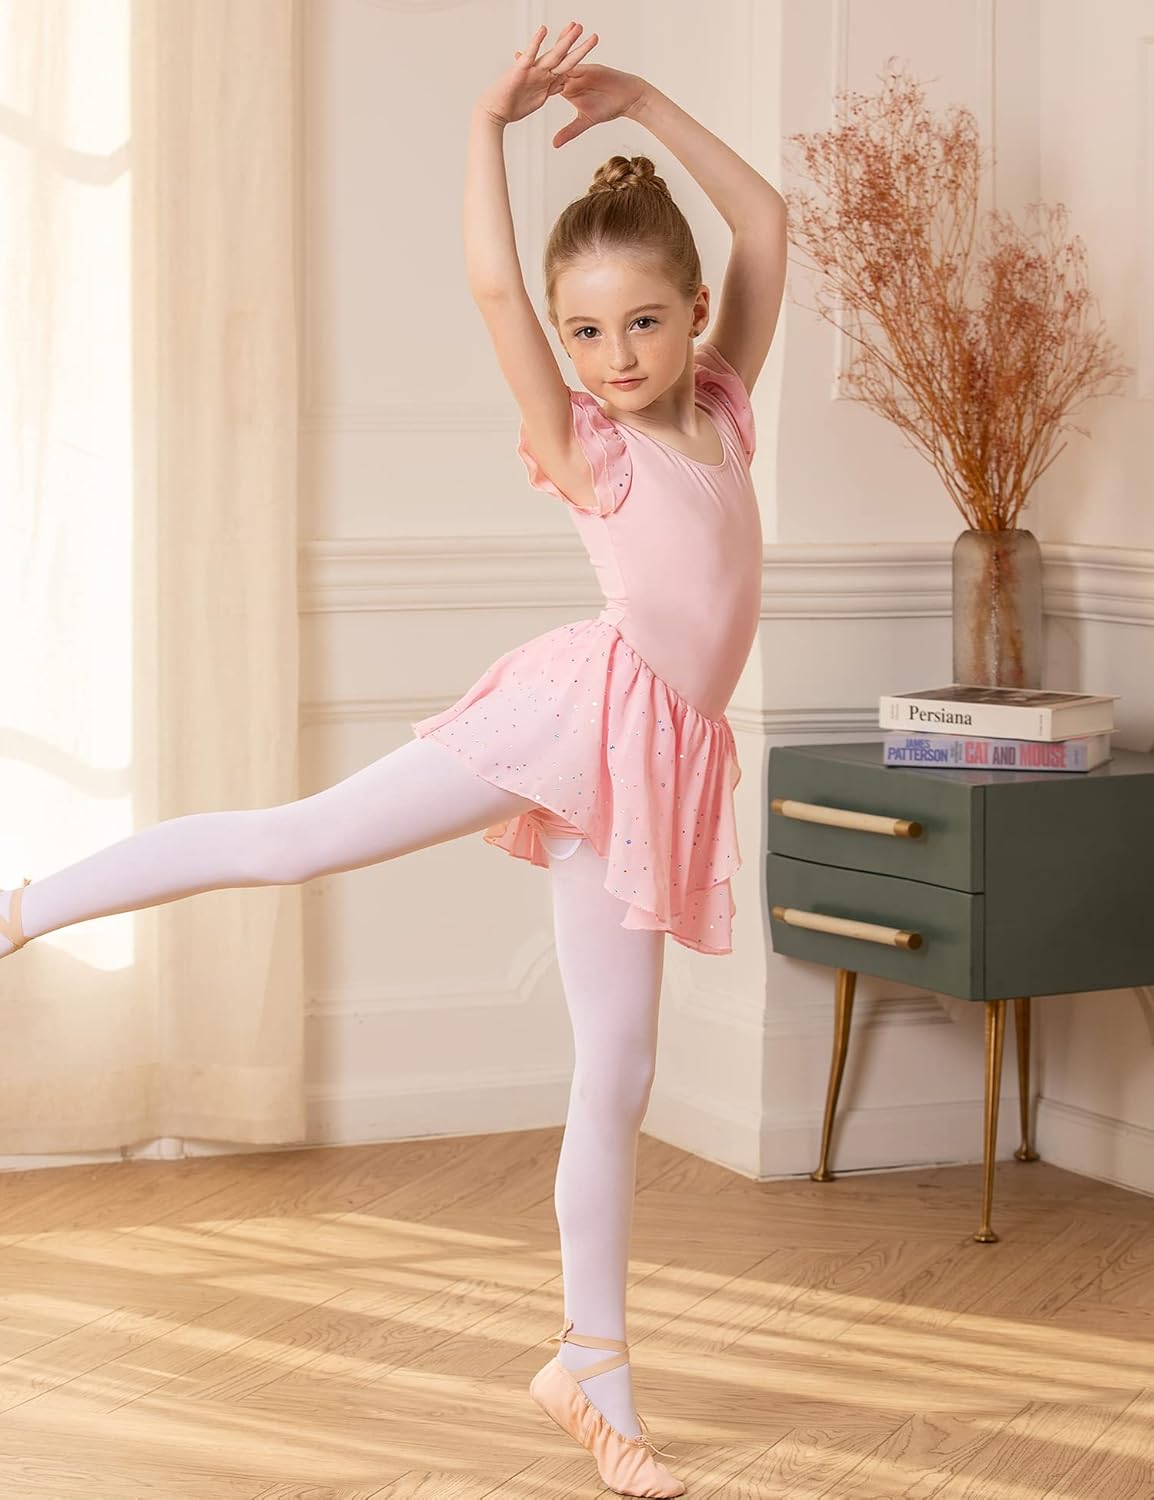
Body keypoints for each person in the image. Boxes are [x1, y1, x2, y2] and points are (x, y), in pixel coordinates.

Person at [0, 19, 785, 1499]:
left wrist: (651, 102)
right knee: (293, 838)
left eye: (640, 325)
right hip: (576, 719)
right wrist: (486, 123)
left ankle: (590, 1369)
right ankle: (24, 907)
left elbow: (762, 218)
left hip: (651, 766)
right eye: (585, 335)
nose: (614, 358)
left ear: (693, 315)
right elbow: (493, 286)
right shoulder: (590, 448)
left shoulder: (727, 407)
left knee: (617, 1068)